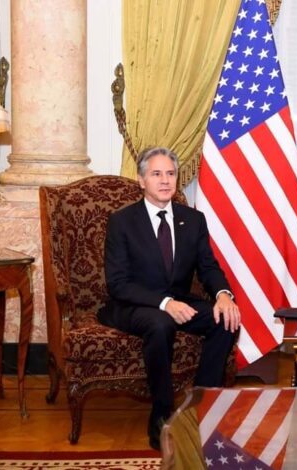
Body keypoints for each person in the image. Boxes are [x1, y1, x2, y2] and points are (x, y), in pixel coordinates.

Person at [98, 147, 240, 450]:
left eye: (171, 173)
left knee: (225, 319)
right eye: (156, 174)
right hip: (134, 304)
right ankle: (161, 414)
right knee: (161, 323)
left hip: (179, 299)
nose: (165, 180)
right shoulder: (122, 221)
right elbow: (118, 284)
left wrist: (224, 295)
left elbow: (208, 267)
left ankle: (198, 407)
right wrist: (164, 304)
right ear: (141, 180)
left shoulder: (193, 219)